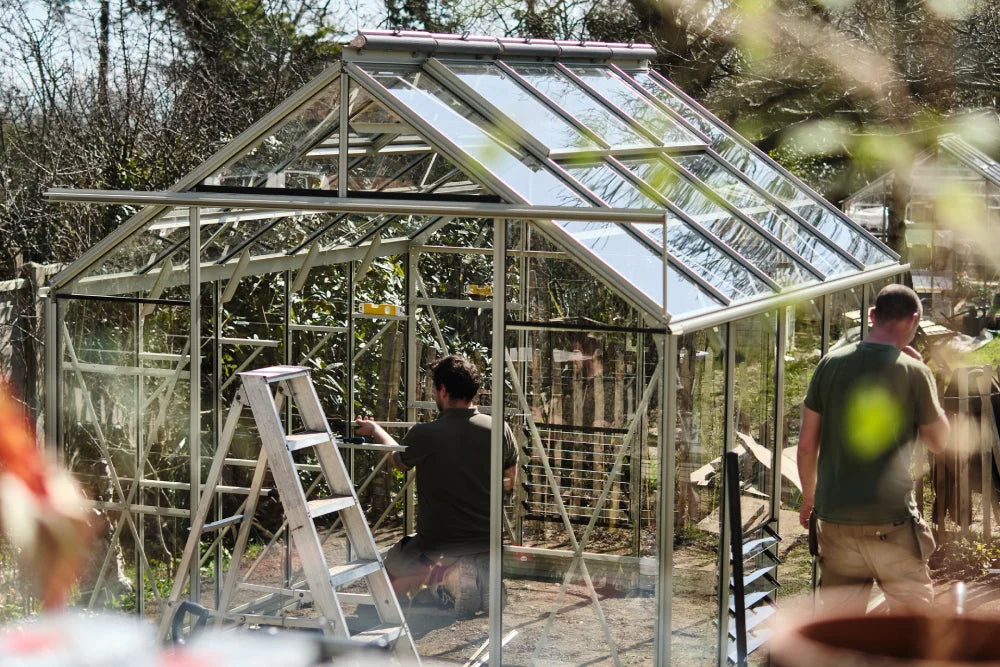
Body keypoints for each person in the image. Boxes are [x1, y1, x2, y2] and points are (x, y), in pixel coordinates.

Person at [797, 284, 949, 614]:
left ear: (871, 316)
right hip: (890, 522)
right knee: (912, 626)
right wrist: (925, 374)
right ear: (912, 320)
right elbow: (940, 442)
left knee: (840, 629)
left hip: (835, 522)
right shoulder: (914, 372)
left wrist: (810, 500)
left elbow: (807, 445)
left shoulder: (828, 365)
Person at [354, 354, 517, 616]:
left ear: (442, 390)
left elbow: (398, 459)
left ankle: (450, 582)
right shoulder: (500, 429)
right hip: (487, 541)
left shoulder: (426, 434)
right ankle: (482, 576)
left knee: (393, 566)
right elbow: (511, 474)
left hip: (438, 545)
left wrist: (374, 430)